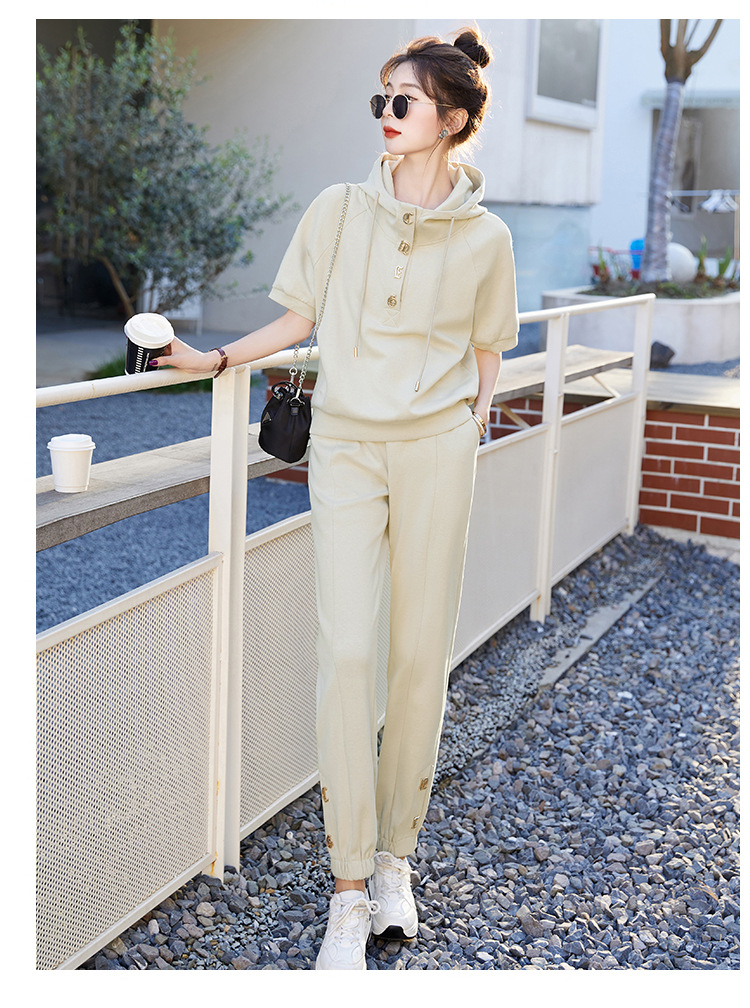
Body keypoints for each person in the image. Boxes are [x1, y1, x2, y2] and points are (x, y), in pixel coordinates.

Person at [150, 26, 519, 970]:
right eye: (380, 99)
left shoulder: (489, 238)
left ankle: (396, 861)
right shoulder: (339, 210)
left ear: (453, 119)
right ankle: (348, 890)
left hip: (437, 454)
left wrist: (470, 422)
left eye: (404, 101)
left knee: (419, 659)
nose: (385, 114)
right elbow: (298, 318)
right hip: (348, 449)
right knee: (348, 653)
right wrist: (214, 359)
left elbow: (489, 349)